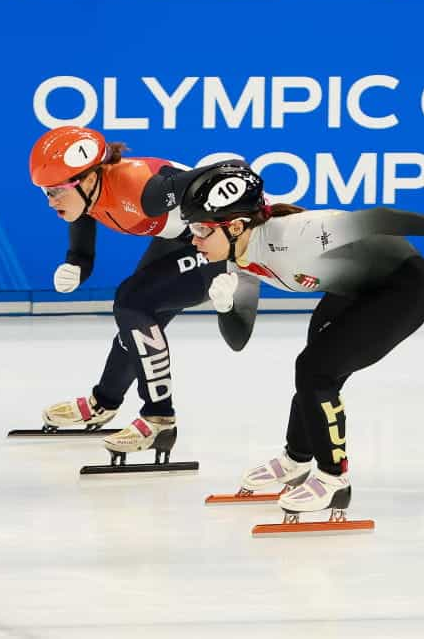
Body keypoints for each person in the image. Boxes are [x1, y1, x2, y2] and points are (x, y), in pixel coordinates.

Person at [179, 161, 424, 517]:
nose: (194, 239)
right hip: (354, 288)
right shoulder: (238, 257)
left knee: (315, 370)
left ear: (235, 226)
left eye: (201, 229)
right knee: (315, 368)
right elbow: (239, 339)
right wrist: (225, 306)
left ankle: (334, 480)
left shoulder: (297, 232)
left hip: (403, 288)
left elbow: (379, 218)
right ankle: (296, 459)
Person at [29, 126, 258, 460]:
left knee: (132, 302)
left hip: (214, 244)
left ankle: (159, 418)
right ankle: (104, 402)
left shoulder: (142, 189)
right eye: (45, 192)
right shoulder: (85, 196)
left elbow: (229, 168)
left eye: (55, 192)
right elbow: (83, 254)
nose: (51, 202)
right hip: (180, 237)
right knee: (135, 322)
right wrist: (75, 267)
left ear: (90, 179)